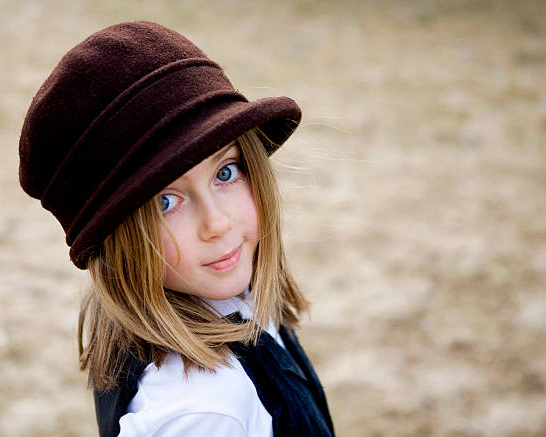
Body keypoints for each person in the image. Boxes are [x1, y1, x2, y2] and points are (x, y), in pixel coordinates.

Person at [19, 21, 335, 437]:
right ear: (116, 240)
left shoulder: (226, 295)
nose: (217, 223)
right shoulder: (205, 412)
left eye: (226, 171)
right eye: (165, 201)